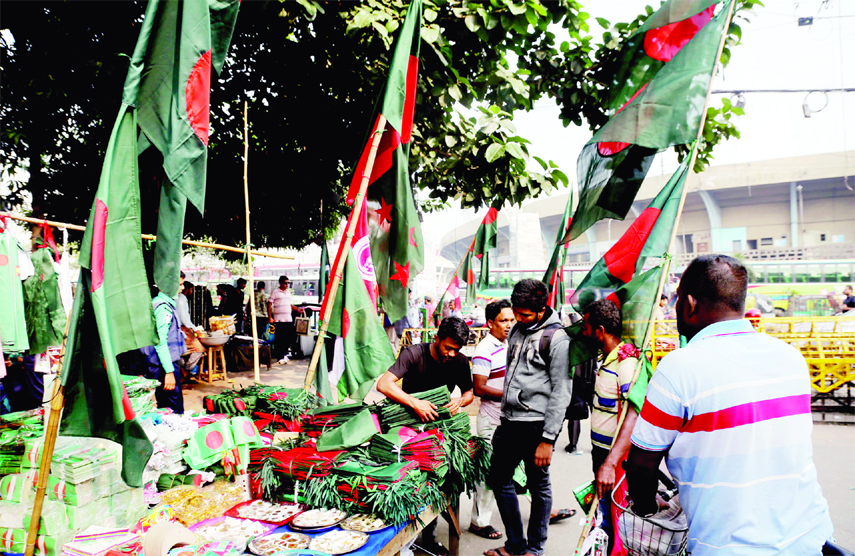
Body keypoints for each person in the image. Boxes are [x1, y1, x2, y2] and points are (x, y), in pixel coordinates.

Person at [626, 255, 833, 555]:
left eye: (678, 299)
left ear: (690, 304)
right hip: (809, 536)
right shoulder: (789, 356)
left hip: (728, 546)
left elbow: (641, 465)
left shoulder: (679, 367)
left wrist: (646, 506)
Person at [485, 279, 571, 556]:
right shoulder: (517, 331)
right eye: (515, 313)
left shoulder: (557, 339)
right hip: (509, 422)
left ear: (541, 310)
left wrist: (548, 439)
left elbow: (561, 391)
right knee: (499, 479)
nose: (517, 320)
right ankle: (515, 545)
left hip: (536, 426)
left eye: (524, 315)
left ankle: (535, 548)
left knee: (539, 486)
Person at [376, 316, 474, 556]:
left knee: (443, 480)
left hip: (438, 431)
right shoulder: (413, 354)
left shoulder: (460, 361)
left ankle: (429, 537)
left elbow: (469, 393)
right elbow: (384, 384)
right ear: (436, 338)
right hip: (407, 429)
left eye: (456, 349)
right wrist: (414, 403)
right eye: (447, 347)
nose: (451, 354)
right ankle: (403, 537)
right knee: (410, 483)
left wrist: (460, 401)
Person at [581, 298, 642, 551]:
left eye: (586, 328)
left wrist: (610, 464)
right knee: (601, 520)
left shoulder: (626, 364)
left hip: (614, 460)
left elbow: (634, 414)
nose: (583, 333)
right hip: (600, 454)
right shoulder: (606, 359)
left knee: (612, 524)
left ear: (600, 331)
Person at [469, 300, 514, 541]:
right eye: (503, 321)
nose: (508, 325)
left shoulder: (511, 343)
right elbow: (479, 387)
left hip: (510, 417)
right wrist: (511, 395)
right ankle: (479, 522)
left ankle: (543, 510)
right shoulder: (484, 350)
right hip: (490, 419)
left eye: (511, 320)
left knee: (520, 467)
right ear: (489, 323)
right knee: (487, 471)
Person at [140, 284, 186, 414]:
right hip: (163, 365)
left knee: (165, 408)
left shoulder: (158, 303)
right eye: (180, 284)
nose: (182, 288)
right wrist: (169, 372)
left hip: (159, 363)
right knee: (174, 409)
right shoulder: (163, 308)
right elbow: (160, 341)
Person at [268, 275, 304, 364]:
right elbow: (269, 304)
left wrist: (297, 309)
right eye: (285, 283)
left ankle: (284, 353)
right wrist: (270, 317)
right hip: (279, 319)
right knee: (279, 338)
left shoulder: (288, 293)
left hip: (288, 318)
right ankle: (279, 356)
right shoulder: (275, 292)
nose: (287, 285)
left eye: (288, 283)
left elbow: (289, 305)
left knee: (289, 337)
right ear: (280, 283)